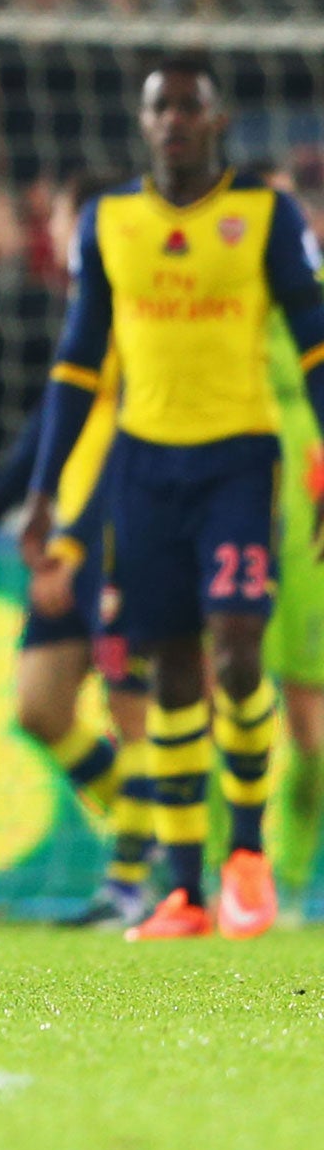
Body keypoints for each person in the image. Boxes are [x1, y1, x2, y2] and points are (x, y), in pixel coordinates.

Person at [22, 59, 324, 941]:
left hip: (238, 462)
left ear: (218, 119)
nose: (175, 122)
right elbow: (78, 363)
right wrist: (43, 492)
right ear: (144, 122)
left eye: (190, 107)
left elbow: (313, 340)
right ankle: (186, 894)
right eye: (161, 108)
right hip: (142, 473)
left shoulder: (265, 217)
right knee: (173, 677)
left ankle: (247, 857)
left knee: (236, 652)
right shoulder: (109, 222)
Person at [0, 172, 156, 929]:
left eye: (70, 220)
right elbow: (50, 429)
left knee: (136, 713)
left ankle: (134, 883)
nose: (62, 235)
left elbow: (126, 442)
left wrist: (71, 543)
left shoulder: (141, 313)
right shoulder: (88, 309)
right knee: (39, 706)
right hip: (71, 538)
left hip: (122, 533)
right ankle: (150, 829)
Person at [264, 168, 324, 917]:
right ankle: (216, 874)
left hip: (307, 503)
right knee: (220, 690)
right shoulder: (242, 295)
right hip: (232, 491)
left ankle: (297, 870)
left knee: (309, 718)